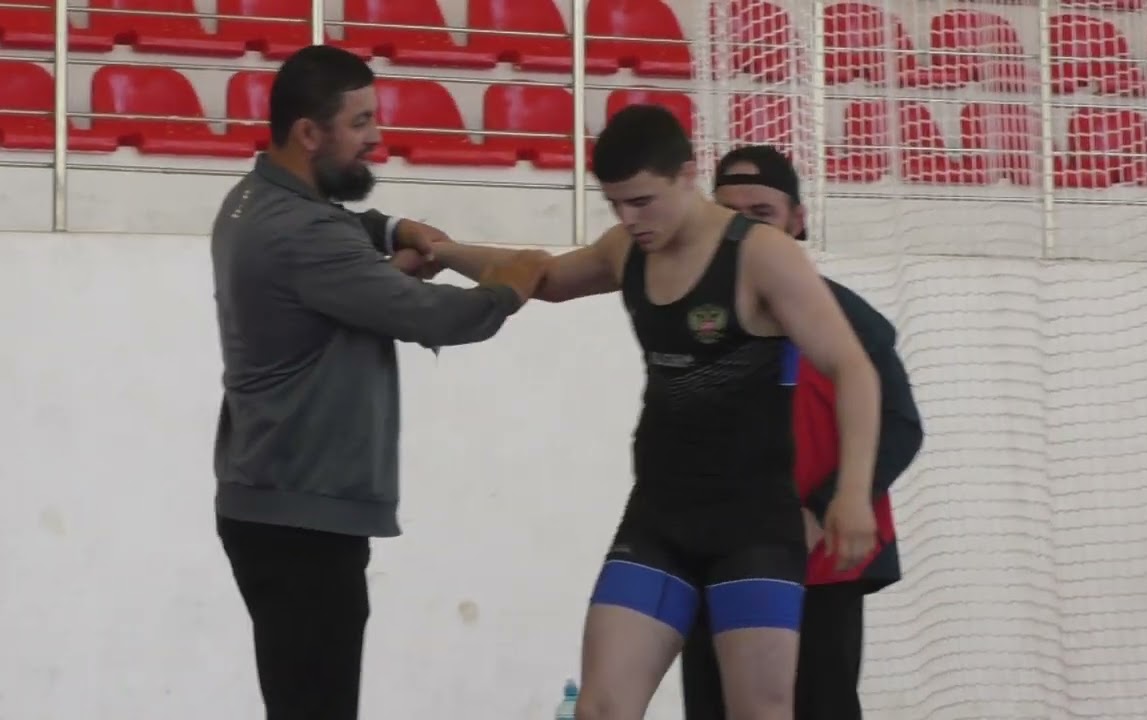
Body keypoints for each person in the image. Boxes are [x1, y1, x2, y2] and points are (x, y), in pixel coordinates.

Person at [422, 104, 884, 720]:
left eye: (642, 201)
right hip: (660, 521)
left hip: (753, 527)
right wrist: (442, 252)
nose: (630, 220)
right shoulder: (628, 249)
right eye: (616, 205)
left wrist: (851, 494)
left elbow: (853, 368)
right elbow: (545, 278)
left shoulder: (763, 255)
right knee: (600, 708)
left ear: (687, 176)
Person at [208, 45, 550, 720]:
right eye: (361, 121)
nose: (376, 136)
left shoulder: (252, 201)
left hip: (275, 505)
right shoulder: (299, 234)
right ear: (310, 133)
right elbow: (431, 315)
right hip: (302, 517)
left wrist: (391, 229)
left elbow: (345, 227)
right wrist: (511, 286)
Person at [680, 145, 925, 720]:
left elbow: (899, 425)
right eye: (728, 213)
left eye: (761, 214)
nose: (744, 229)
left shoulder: (845, 316)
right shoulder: (695, 317)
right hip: (718, 558)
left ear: (797, 220)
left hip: (820, 565)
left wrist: (824, 508)